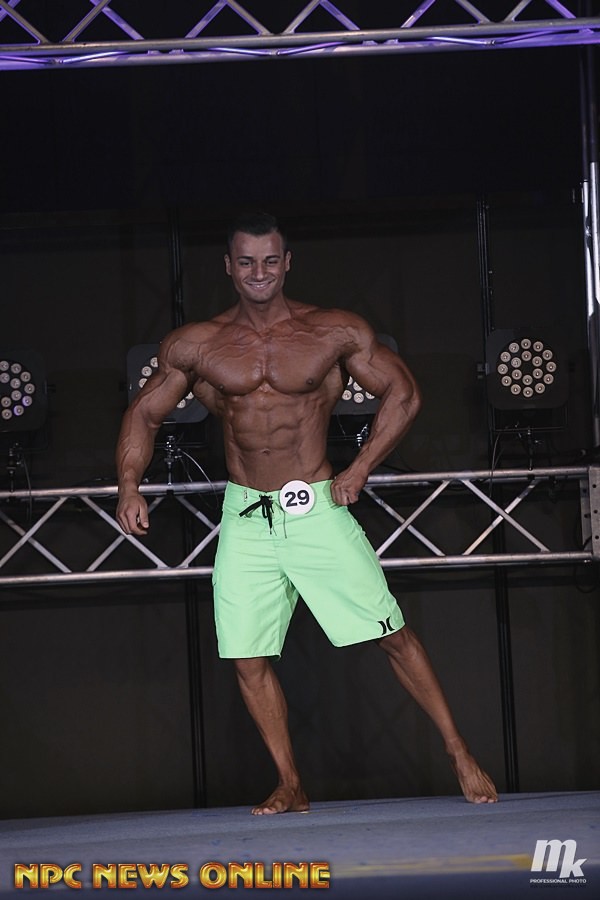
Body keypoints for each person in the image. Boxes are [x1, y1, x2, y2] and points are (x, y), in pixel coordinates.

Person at [116, 212, 498, 814]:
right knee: (246, 656)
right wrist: (128, 486)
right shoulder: (196, 344)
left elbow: (404, 393)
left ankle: (458, 751)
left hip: (315, 506)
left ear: (287, 263)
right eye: (247, 261)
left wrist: (360, 467)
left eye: (270, 260)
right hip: (245, 514)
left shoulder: (332, 331)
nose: (259, 272)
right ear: (229, 266)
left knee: (391, 633)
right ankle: (290, 782)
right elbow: (144, 412)